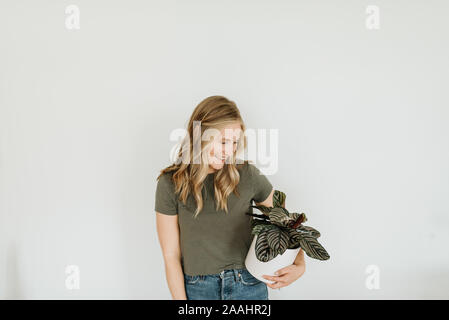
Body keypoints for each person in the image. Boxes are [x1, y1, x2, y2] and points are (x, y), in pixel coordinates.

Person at [155, 95, 305, 300]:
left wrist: (299, 265)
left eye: (234, 143)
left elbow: (287, 225)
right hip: (198, 289)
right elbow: (170, 256)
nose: (229, 151)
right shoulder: (170, 183)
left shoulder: (248, 174)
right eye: (223, 141)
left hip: (248, 285)